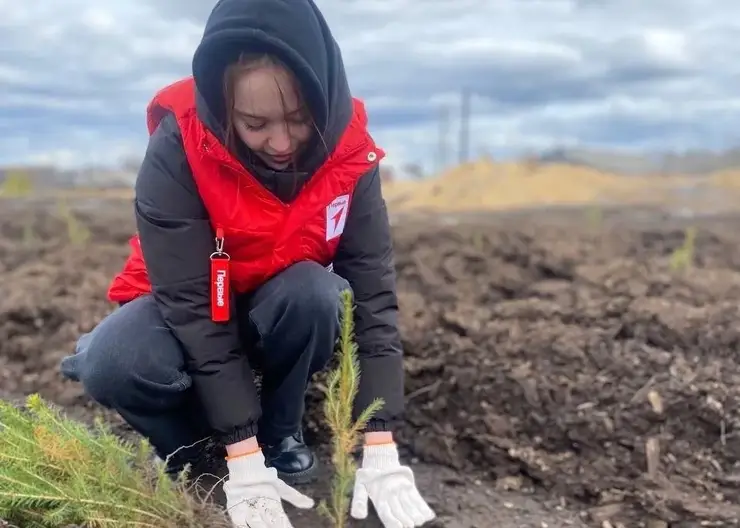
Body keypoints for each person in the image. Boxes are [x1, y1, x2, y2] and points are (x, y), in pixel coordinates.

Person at [59, 0, 436, 526]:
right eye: (255, 124)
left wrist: (380, 440)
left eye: (299, 120)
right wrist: (237, 450)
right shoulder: (182, 144)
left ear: (322, 98)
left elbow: (373, 297)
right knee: (114, 360)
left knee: (318, 295)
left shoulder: (349, 152)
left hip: (273, 309)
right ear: (223, 106)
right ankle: (194, 452)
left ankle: (280, 433)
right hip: (187, 308)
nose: (280, 143)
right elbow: (192, 309)